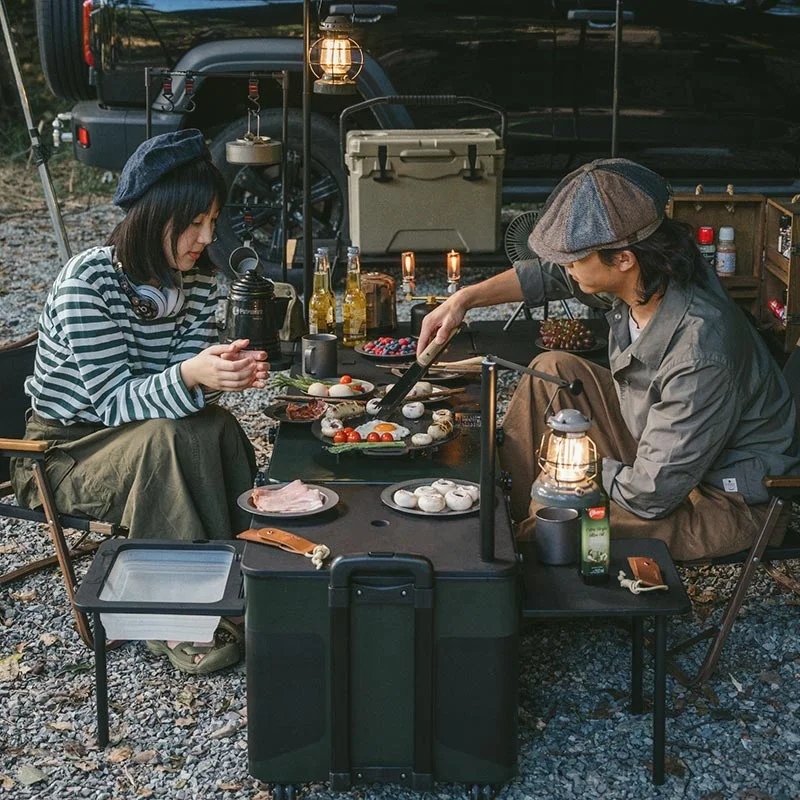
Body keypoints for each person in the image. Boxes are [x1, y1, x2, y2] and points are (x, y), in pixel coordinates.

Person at [418, 158, 800, 561]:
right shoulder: (646, 272)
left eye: (575, 259)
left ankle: (510, 542)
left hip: (715, 496)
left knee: (555, 525)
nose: (567, 268)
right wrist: (464, 300)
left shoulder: (700, 351)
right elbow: (550, 275)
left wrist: (568, 472)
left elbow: (650, 494)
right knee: (552, 370)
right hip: (659, 440)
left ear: (623, 259)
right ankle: (497, 506)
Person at [11, 129, 267, 673]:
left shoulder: (194, 282)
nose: (206, 236)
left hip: (136, 434)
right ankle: (169, 618)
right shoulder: (89, 282)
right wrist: (190, 375)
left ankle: (245, 576)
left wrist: (219, 375)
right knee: (166, 439)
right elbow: (112, 402)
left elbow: (176, 393)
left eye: (212, 222)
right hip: (59, 455)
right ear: (155, 217)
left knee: (213, 426)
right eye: (194, 222)